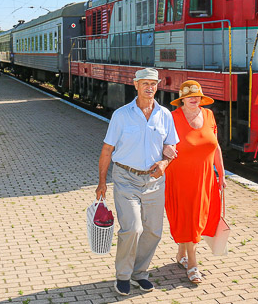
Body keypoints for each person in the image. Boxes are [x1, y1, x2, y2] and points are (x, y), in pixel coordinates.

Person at [95, 67, 179, 296]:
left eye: (153, 83)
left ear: (158, 85)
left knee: (153, 231)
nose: (149, 87)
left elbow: (171, 148)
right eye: (145, 83)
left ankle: (139, 274)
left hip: (154, 182)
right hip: (125, 179)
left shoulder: (165, 115)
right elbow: (107, 149)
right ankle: (122, 275)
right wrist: (102, 182)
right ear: (135, 85)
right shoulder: (121, 115)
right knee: (133, 228)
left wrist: (164, 164)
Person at [162, 80, 225, 284]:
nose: (193, 99)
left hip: (205, 177)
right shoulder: (172, 118)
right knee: (190, 218)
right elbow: (161, 143)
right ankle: (193, 264)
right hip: (180, 177)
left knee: (199, 217)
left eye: (196, 96)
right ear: (181, 100)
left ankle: (181, 252)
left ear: (201, 98)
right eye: (189, 96)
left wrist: (221, 175)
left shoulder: (208, 115)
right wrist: (165, 149)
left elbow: (216, 147)